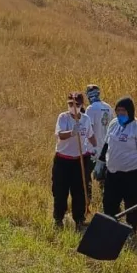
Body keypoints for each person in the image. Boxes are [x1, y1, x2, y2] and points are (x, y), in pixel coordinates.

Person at [93, 97, 137, 231]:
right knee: (109, 204)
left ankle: (130, 231)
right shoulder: (113, 124)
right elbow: (106, 145)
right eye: (118, 111)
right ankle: (110, 230)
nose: (120, 114)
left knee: (132, 206)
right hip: (112, 174)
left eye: (123, 111)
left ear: (130, 111)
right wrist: (100, 162)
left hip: (132, 176)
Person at [53, 93, 96, 230]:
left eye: (76, 104)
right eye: (70, 104)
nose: (73, 107)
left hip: (80, 160)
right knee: (60, 191)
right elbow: (60, 134)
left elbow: (91, 136)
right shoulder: (63, 117)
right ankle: (58, 219)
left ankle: (79, 219)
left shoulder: (86, 119)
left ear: (82, 105)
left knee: (80, 192)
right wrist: (71, 132)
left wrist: (96, 149)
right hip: (63, 160)